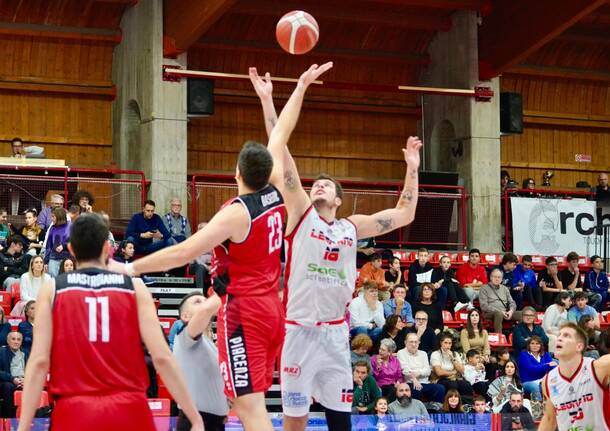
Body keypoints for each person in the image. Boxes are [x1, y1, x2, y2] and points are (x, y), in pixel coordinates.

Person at [108, 64, 321, 431]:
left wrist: (129, 269)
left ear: (236, 173)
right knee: (253, 403)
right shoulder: (275, 193)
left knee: (249, 407)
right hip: (273, 308)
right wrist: (292, 90)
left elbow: (183, 252)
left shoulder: (236, 215)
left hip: (245, 313)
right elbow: (282, 133)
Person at [249, 63, 422, 431]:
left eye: (328, 185)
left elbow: (405, 213)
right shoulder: (300, 215)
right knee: (294, 422)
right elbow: (279, 150)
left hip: (333, 334)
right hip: (297, 331)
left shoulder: (351, 227)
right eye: (317, 184)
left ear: (340, 200)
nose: (320, 186)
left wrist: (412, 167)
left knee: (339, 422)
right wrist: (267, 100)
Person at [16, 213, 203, 431]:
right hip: (130, 409)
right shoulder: (135, 288)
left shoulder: (53, 288)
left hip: (75, 411)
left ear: (72, 250)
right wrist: (194, 417)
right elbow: (162, 358)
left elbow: (39, 362)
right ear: (108, 248)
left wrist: (23, 426)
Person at [173, 292, 229, 431]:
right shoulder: (184, 335)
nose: (205, 303)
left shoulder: (208, 344)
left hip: (216, 421)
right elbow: (206, 310)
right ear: (185, 316)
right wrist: (228, 288)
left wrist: (225, 408)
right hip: (195, 421)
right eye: (198, 301)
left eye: (205, 300)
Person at [539, 322, 610, 431]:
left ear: (579, 346)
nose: (559, 338)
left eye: (566, 336)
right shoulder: (548, 381)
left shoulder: (598, 368)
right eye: (559, 335)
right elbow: (549, 419)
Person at [397, 332, 445, 403]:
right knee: (416, 389)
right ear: (405, 343)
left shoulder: (423, 353)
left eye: (416, 342)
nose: (413, 344)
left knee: (440, 388)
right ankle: (417, 411)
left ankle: (434, 409)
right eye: (411, 342)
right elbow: (405, 370)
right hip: (410, 382)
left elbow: (428, 371)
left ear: (419, 343)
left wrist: (418, 373)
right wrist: (414, 379)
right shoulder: (401, 353)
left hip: (425, 383)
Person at [479, 268, 523, 333]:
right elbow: (484, 306)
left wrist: (511, 311)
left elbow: (512, 302)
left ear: (502, 279)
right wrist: (500, 312)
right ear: (491, 277)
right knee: (498, 314)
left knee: (523, 314)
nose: (497, 279)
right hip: (489, 313)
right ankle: (499, 336)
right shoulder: (484, 288)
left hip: (505, 313)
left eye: (499, 277)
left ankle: (520, 336)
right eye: (495, 277)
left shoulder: (505, 289)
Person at [430, 333, 472, 397]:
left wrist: (452, 358)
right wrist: (453, 372)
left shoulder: (455, 354)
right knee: (452, 384)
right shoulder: (435, 354)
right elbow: (439, 372)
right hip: (440, 379)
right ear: (441, 343)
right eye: (445, 343)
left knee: (466, 384)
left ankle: (466, 404)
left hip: (454, 379)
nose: (448, 345)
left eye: (450, 343)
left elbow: (462, 370)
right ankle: (450, 404)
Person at [0, 331, 27, 417]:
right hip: (8, 381)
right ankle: (9, 418)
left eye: (19, 339)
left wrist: (26, 379)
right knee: (8, 386)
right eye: (13, 339)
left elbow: (32, 369)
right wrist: (12, 379)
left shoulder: (26, 353)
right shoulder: (2, 352)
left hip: (24, 380)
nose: (16, 341)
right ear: (8, 341)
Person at [43, 207, 71, 277]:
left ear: (59, 216)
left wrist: (64, 246)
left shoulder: (70, 226)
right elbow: (48, 246)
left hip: (67, 258)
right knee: (53, 279)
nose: (51, 219)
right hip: (54, 258)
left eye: (53, 216)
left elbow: (75, 242)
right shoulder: (52, 228)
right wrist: (45, 261)